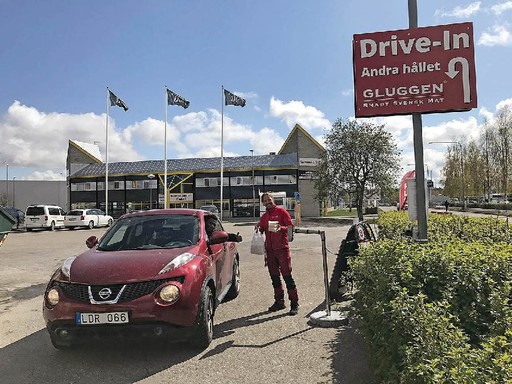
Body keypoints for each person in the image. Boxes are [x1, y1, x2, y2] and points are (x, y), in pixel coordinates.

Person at [255, 192, 299, 316]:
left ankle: (294, 303)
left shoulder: (282, 212)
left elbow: (291, 228)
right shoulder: (264, 217)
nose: (267, 202)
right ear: (263, 203)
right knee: (275, 278)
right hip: (270, 252)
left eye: (269, 199)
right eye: (265, 201)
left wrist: (281, 228)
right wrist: (258, 228)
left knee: (287, 277)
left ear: (273, 199)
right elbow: (262, 229)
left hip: (282, 250)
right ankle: (279, 302)